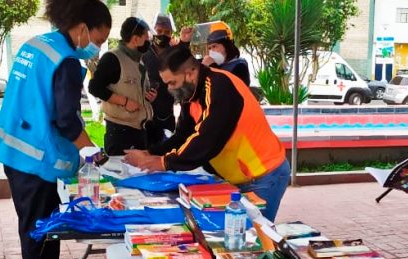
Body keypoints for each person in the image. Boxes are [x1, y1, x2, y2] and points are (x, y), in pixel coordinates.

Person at [0, 0, 111, 259]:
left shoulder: (36, 45)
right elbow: (65, 118)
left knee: (44, 229)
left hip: (15, 151)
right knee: (40, 233)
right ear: (83, 28)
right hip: (33, 160)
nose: (96, 49)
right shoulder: (67, 61)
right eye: (98, 41)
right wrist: (90, 150)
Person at [123, 45, 290, 221]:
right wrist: (150, 154)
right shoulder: (191, 94)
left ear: (190, 73)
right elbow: (182, 136)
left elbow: (207, 139)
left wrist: (163, 162)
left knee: (254, 238)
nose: (169, 89)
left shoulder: (220, 87)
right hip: (236, 177)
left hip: (263, 175)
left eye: (172, 82)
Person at [89, 16, 155, 155]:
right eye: (146, 37)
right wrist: (124, 102)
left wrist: (149, 96)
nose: (148, 41)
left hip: (140, 129)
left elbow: (136, 90)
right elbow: (94, 87)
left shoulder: (138, 61)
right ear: (135, 39)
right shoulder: (112, 58)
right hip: (120, 132)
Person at [142, 14, 189, 149]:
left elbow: (184, 61)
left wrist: (185, 42)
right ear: (152, 30)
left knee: (167, 151)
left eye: (167, 32)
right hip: (145, 113)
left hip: (167, 112)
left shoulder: (174, 52)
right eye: (159, 31)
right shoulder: (144, 52)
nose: (163, 35)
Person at [201, 22, 250, 87]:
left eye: (214, 46)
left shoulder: (239, 66)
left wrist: (212, 67)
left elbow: (226, 90)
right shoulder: (218, 65)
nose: (211, 51)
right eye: (209, 48)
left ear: (226, 47)